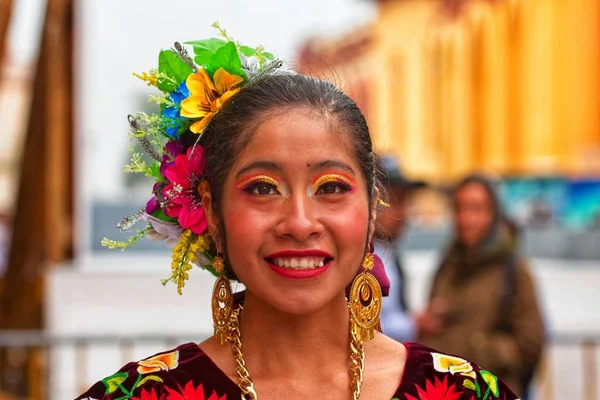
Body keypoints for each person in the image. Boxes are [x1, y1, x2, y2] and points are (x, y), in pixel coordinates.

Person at [77, 31, 519, 399]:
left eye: (331, 188)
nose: (300, 222)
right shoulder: (143, 394)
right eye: (262, 189)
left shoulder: (463, 391)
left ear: (370, 210)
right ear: (211, 211)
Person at [418, 174, 545, 398]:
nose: (466, 218)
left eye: (477, 209)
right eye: (460, 208)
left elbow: (531, 344)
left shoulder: (513, 270)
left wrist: (477, 348)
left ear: (493, 214)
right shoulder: (447, 265)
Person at [375, 155, 443, 342]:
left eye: (406, 202)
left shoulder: (387, 252)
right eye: (394, 202)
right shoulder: (357, 258)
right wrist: (413, 325)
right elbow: (359, 326)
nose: (403, 213)